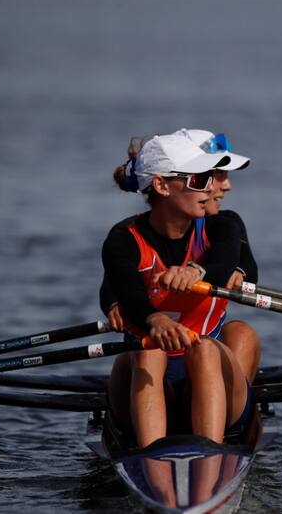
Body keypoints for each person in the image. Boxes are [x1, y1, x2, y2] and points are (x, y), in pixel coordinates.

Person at [102, 132, 253, 448]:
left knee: (210, 347)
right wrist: (153, 320)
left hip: (208, 372)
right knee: (148, 352)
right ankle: (151, 460)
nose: (212, 188)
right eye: (200, 180)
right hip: (147, 375)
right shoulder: (123, 239)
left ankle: (211, 457)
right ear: (161, 185)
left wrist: (196, 272)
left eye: (210, 178)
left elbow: (226, 260)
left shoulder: (222, 225)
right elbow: (125, 292)